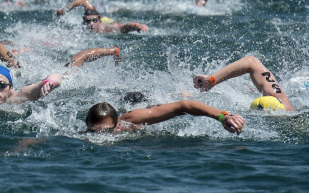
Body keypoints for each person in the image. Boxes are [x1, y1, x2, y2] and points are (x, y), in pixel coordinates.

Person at [193, 56, 295, 111]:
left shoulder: (278, 99)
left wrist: (212, 81)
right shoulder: (276, 97)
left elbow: (251, 61)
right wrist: (211, 81)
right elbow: (251, 62)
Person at [85, 101, 245, 134]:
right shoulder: (84, 134)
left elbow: (182, 106)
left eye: (106, 132)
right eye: (93, 132)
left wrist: (222, 116)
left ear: (118, 126)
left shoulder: (132, 120)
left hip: (145, 104)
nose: (99, 137)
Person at [56, 0, 149, 33]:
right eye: (88, 21)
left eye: (94, 21)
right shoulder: (80, 30)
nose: (91, 24)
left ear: (99, 21)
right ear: (83, 22)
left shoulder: (104, 28)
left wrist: (136, 25)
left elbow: (123, 27)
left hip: (106, 19)